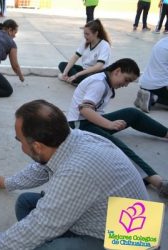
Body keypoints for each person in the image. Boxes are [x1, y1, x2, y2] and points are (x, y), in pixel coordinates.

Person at [0, 99, 148, 250]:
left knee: (43, 243)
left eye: (20, 141)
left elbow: (38, 227)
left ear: (37, 146)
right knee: (25, 202)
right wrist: (9, 182)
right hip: (105, 214)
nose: (20, 145)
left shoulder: (76, 171)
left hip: (131, 240)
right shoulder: (73, 139)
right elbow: (41, 168)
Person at [67, 58, 168, 197]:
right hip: (80, 126)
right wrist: (109, 124)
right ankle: (157, 182)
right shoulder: (99, 83)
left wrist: (107, 123)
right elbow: (85, 110)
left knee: (132, 114)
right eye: (126, 80)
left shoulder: (106, 81)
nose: (126, 85)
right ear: (117, 71)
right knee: (116, 147)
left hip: (91, 121)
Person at [58, 19, 111, 87]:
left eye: (87, 34)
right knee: (62, 65)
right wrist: (65, 73)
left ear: (96, 33)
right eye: (84, 33)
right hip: (84, 70)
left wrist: (77, 75)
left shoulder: (104, 45)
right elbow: (75, 57)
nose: (85, 36)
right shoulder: (86, 43)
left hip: (96, 73)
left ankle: (73, 79)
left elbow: (99, 66)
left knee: (83, 77)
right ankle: (69, 78)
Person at [135, 37, 168, 113]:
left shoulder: (162, 42)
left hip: (144, 82)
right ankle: (154, 97)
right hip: (159, 86)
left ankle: (146, 94)